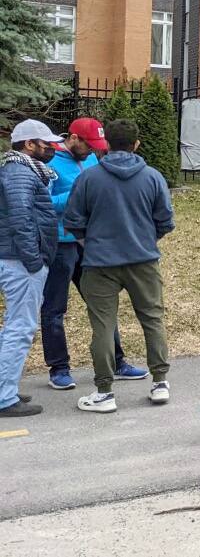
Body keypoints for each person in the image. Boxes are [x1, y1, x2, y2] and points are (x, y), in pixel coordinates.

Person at [64, 119, 174, 414]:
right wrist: (145, 240)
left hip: (99, 262)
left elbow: (73, 220)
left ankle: (104, 392)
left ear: (106, 144)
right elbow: (165, 221)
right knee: (152, 319)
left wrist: (89, 243)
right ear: (136, 144)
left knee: (103, 326)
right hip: (143, 260)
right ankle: (160, 382)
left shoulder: (89, 178)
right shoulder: (152, 177)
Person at [43, 117, 146, 391]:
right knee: (54, 308)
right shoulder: (50, 162)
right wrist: (77, 194)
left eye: (96, 146)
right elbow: (43, 202)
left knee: (103, 305)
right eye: (88, 145)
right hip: (60, 244)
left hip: (88, 243)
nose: (92, 151)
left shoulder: (90, 159)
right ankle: (59, 368)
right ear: (73, 138)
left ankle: (117, 362)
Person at [0, 120, 61, 418]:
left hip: (16, 258)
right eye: (46, 143)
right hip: (21, 262)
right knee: (20, 328)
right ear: (29, 144)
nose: (51, 148)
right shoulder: (20, 173)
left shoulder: (21, 170)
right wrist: (34, 261)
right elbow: (21, 218)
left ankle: (5, 387)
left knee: (14, 325)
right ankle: (4, 397)